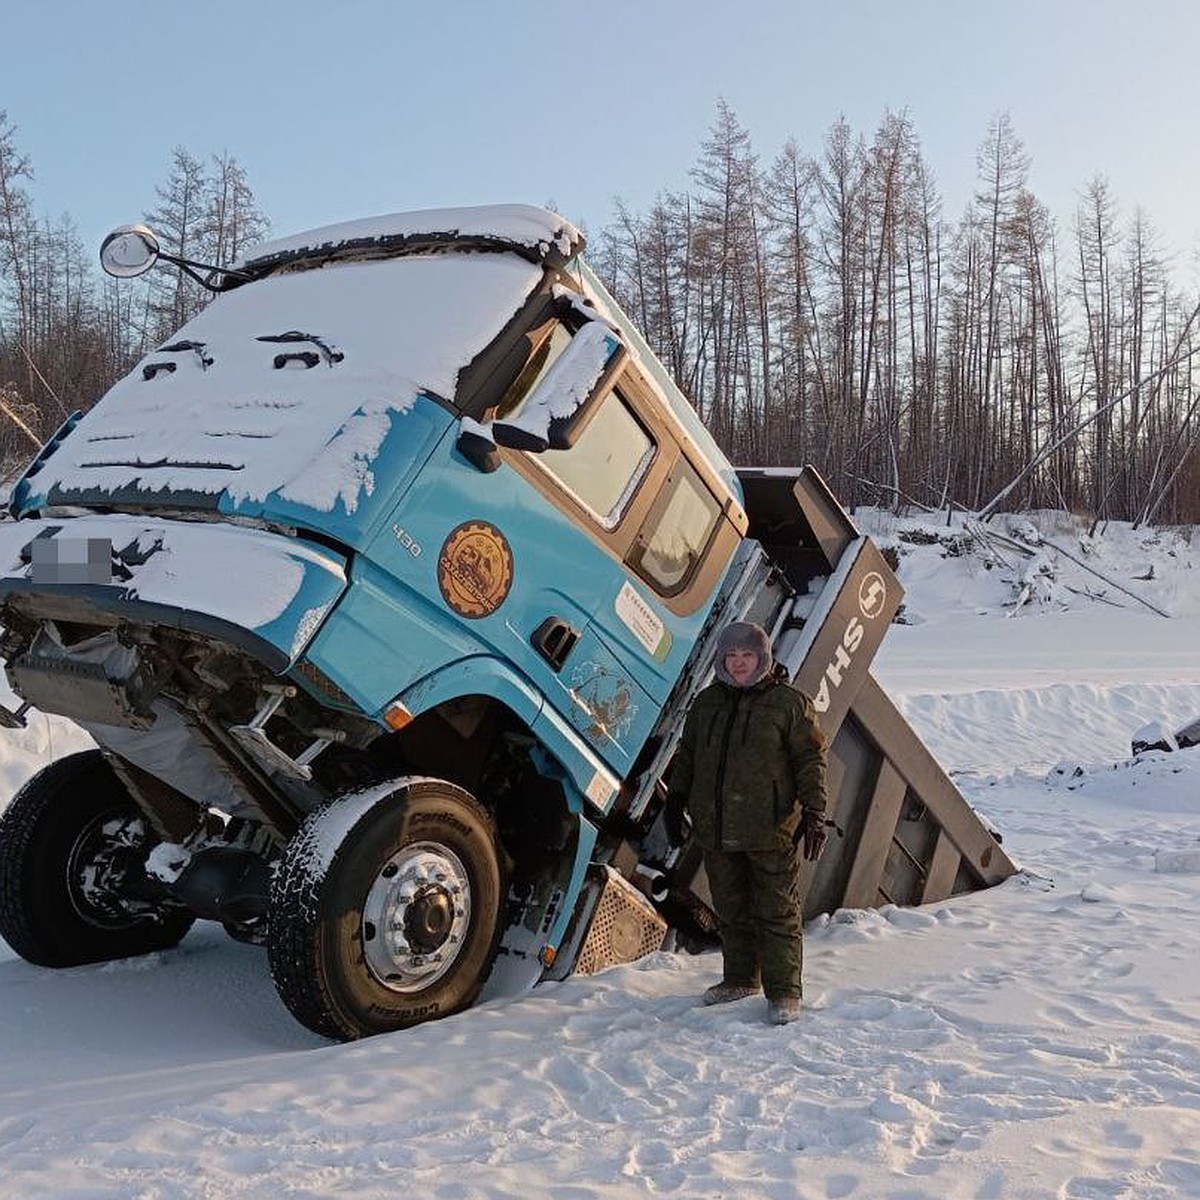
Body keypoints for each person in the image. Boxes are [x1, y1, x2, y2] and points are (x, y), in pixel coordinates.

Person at [663, 620, 828, 1025]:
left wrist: (815, 812)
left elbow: (810, 761)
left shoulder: (790, 704)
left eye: (747, 656)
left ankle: (785, 991)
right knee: (731, 908)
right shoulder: (707, 703)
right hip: (717, 828)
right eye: (731, 656)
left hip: (770, 829)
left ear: (763, 657)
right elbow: (687, 755)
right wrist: (675, 801)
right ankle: (740, 978)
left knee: (776, 910)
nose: (738, 664)